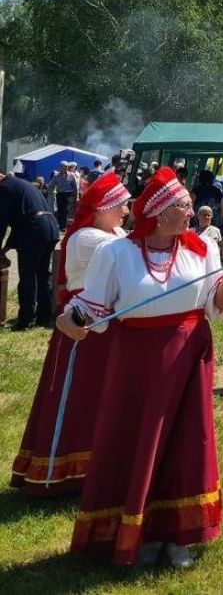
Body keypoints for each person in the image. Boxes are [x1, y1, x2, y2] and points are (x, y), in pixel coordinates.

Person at [56, 167, 223, 567]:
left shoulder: (203, 250)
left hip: (189, 358)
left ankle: (179, 535)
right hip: (137, 362)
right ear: (161, 212)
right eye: (184, 206)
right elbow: (87, 310)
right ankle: (140, 529)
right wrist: (70, 323)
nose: (193, 211)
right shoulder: (116, 253)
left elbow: (218, 306)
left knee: (186, 444)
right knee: (136, 440)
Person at [10, 173, 130, 495]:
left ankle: (106, 469)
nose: (126, 211)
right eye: (121, 205)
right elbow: (128, 253)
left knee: (109, 398)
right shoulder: (86, 237)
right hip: (84, 329)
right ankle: (69, 473)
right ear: (103, 207)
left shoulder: (114, 231)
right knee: (82, 399)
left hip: (109, 326)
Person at [0, 171, 61, 330]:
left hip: (34, 230)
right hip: (49, 228)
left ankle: (26, 320)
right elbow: (21, 219)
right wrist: (5, 248)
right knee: (42, 275)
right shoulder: (21, 184)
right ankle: (44, 316)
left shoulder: (4, 189)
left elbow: (2, 222)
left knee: (27, 276)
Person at [49, 161, 79, 228]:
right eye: (64, 167)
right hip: (60, 194)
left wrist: (76, 196)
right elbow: (51, 186)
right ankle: (61, 225)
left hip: (69, 194)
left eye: (66, 167)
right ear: (60, 167)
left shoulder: (71, 175)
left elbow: (75, 186)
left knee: (67, 210)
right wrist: (50, 193)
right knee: (60, 210)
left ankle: (65, 226)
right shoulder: (56, 176)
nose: (66, 168)